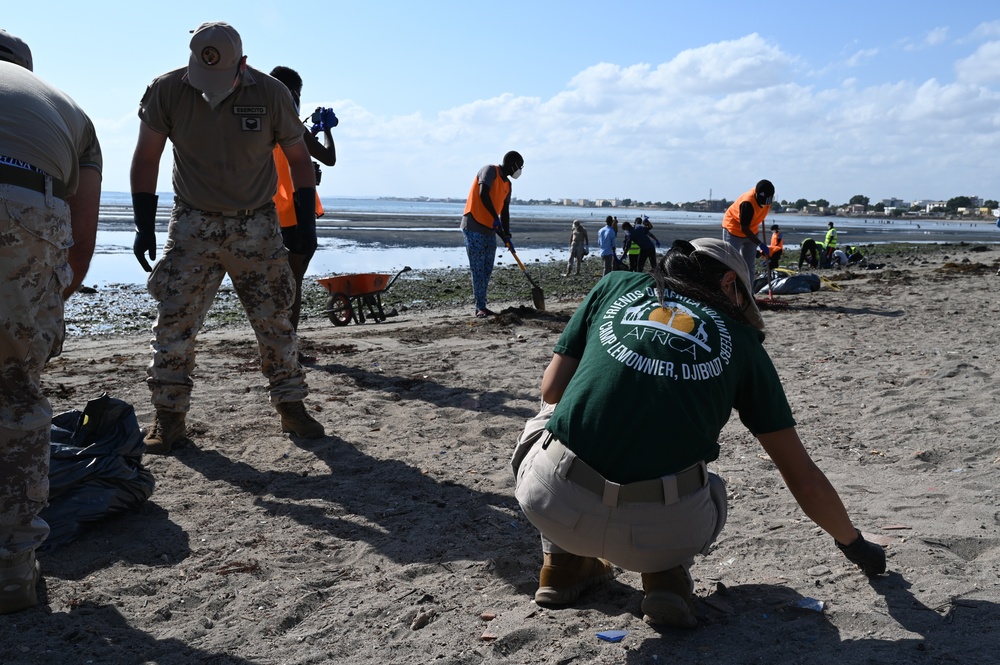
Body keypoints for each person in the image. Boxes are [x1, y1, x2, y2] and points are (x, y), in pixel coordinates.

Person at [512, 237, 886, 627]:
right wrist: (856, 546)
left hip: (551, 505)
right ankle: (665, 577)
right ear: (729, 284)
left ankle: (561, 564)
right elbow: (803, 478)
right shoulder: (742, 343)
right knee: (710, 486)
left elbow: (552, 389)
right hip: (665, 533)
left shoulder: (615, 285)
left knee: (553, 410)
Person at [130, 21, 325, 455]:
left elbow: (299, 159)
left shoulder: (271, 93)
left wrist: (306, 223)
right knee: (174, 323)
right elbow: (146, 156)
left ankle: (291, 406)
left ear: (243, 63)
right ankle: (169, 418)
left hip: (256, 225)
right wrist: (143, 222)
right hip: (192, 225)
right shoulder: (168, 90)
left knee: (275, 318)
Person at [0, 29, 103, 613]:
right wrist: (41, 315)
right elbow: (80, 248)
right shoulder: (66, 108)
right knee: (15, 396)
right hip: (25, 208)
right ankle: (12, 573)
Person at [268, 66, 337, 337]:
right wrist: (327, 131)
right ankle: (289, 346)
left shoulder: (263, 125)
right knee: (292, 284)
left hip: (271, 214)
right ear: (294, 94)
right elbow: (329, 158)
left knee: (275, 284)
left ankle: (278, 342)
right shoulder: (292, 124)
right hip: (298, 214)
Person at [460, 151, 524, 318]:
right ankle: (480, 307)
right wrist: (495, 219)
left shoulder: (508, 185)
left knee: (487, 269)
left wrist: (506, 235)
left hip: (490, 230)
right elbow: (483, 194)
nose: (520, 170)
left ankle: (482, 304)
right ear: (513, 164)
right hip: (474, 225)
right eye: (520, 166)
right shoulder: (489, 171)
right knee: (478, 268)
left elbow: (505, 212)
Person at [722, 179, 774, 282]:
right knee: (731, 263)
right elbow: (744, 228)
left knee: (749, 264)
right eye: (762, 202)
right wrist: (760, 244)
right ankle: (729, 292)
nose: (764, 205)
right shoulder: (747, 203)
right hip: (733, 230)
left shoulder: (767, 198)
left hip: (752, 231)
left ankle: (749, 293)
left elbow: (760, 212)